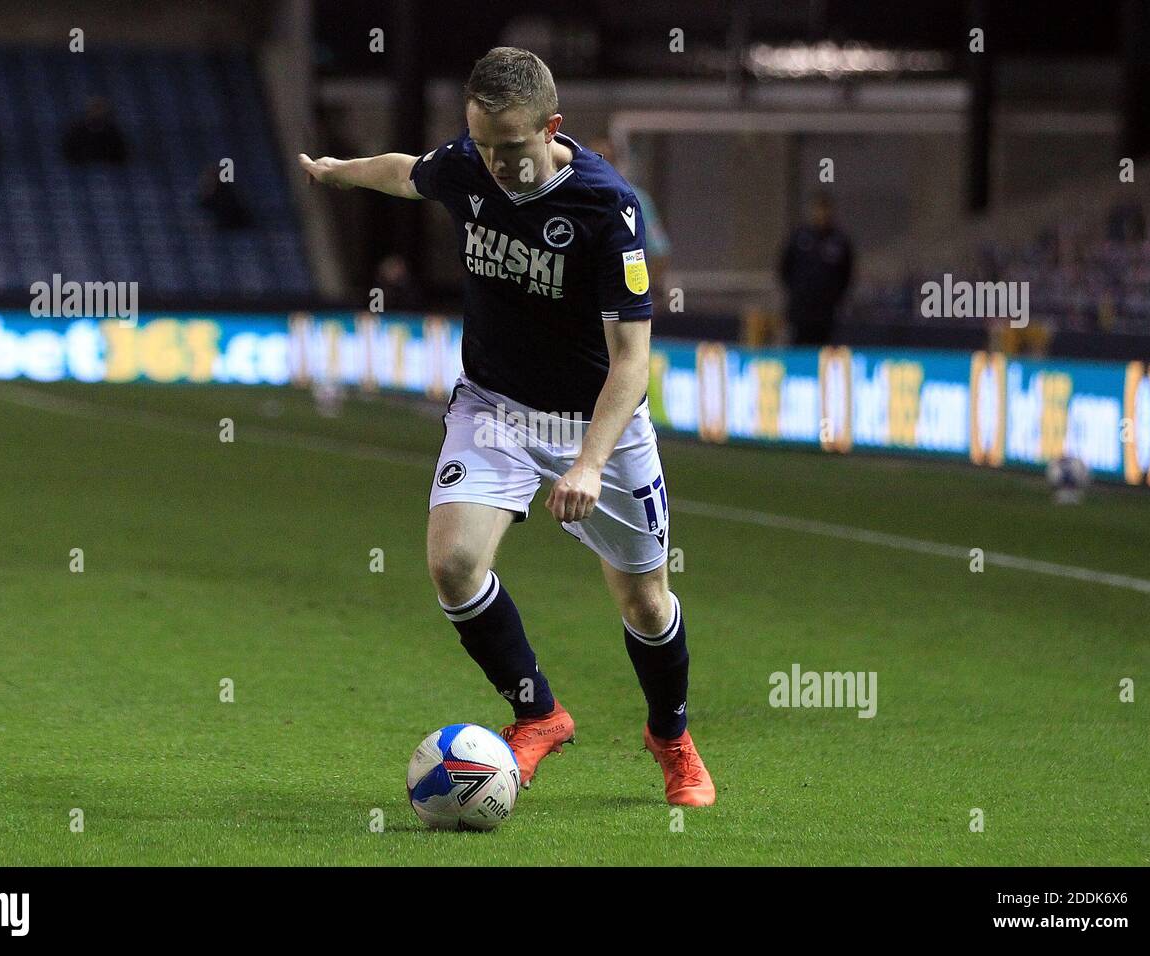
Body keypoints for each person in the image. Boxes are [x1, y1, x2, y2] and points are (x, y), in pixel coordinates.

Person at [299, 47, 714, 806]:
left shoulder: (605, 208)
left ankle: (671, 737)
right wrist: (337, 170)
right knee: (454, 564)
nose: (491, 162)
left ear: (552, 128)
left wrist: (589, 464)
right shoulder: (470, 163)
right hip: (494, 407)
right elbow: (407, 171)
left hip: (598, 423)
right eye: (481, 142)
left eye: (510, 147)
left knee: (645, 603)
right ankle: (539, 713)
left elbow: (631, 361)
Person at [589, 136, 671, 303]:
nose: (600, 165)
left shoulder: (636, 199)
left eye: (607, 159)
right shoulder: (573, 198)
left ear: (616, 162)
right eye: (595, 159)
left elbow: (660, 253)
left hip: (620, 300)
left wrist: (640, 295)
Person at [778, 193, 854, 345]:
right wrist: (797, 292)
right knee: (799, 347)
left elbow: (847, 274)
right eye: (819, 210)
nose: (822, 214)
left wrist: (835, 297)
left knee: (825, 347)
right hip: (801, 310)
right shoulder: (799, 237)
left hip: (827, 311)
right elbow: (784, 268)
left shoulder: (839, 241)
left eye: (825, 210)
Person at [62, 96, 128, 165]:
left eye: (99, 108)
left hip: (108, 170)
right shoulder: (77, 132)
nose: (96, 112)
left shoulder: (112, 132)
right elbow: (70, 154)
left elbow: (120, 155)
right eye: (94, 108)